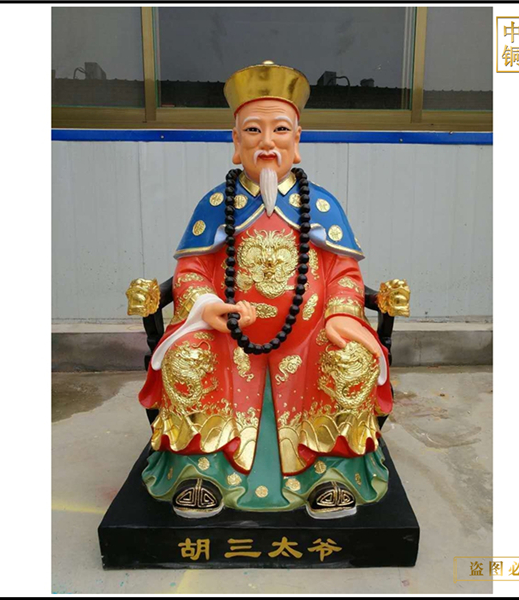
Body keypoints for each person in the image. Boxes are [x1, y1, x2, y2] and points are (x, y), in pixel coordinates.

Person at [129, 61, 398, 519]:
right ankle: (202, 471)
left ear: (298, 140)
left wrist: (341, 313)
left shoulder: (321, 205)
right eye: (254, 130)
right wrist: (206, 306)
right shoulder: (217, 205)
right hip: (228, 337)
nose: (267, 143)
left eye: (280, 130)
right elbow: (192, 270)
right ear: (236, 143)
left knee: (351, 357)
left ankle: (331, 475)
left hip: (309, 335)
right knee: (186, 357)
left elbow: (344, 272)